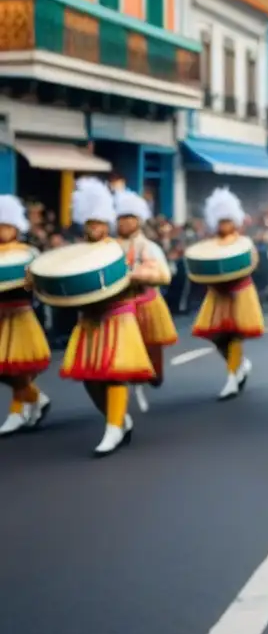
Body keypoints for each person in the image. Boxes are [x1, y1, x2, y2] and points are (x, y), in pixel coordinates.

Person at [58, 178, 154, 456]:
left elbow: (159, 273)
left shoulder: (122, 249)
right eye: (89, 223)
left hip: (119, 316)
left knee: (114, 374)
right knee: (90, 379)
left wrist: (133, 275)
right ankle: (119, 419)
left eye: (99, 223)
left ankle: (113, 428)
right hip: (89, 319)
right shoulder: (76, 252)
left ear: (107, 223)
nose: (94, 228)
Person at [191, 188, 264, 399]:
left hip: (240, 293)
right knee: (216, 337)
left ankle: (232, 377)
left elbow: (253, 262)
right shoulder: (209, 244)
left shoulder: (244, 243)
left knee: (234, 335)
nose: (224, 225)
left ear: (235, 222)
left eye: (228, 221)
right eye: (221, 221)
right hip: (217, 295)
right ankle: (240, 364)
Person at [114, 189, 177, 413]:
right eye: (121, 218)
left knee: (152, 356)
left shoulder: (148, 247)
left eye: (129, 218)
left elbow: (163, 275)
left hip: (147, 304)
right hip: (121, 308)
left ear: (138, 221)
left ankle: (150, 378)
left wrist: (136, 275)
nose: (124, 222)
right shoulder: (109, 247)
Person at [0, 195, 51, 437]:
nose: (2, 230)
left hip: (19, 315)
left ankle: (20, 408)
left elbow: (38, 283)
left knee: (15, 368)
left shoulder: (28, 252)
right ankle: (35, 398)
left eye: (7, 225)